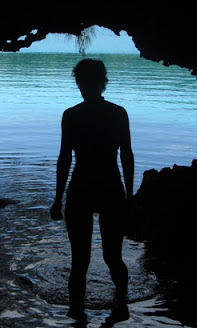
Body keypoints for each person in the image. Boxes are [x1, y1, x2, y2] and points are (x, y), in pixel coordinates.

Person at [50, 58, 134, 323]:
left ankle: (78, 315)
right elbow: (126, 157)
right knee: (110, 258)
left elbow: (65, 158)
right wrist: (129, 196)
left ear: (97, 83)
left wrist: (58, 199)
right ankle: (120, 309)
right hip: (109, 187)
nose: (84, 87)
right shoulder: (116, 113)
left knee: (83, 262)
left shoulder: (73, 114)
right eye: (82, 83)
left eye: (85, 82)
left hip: (83, 188)